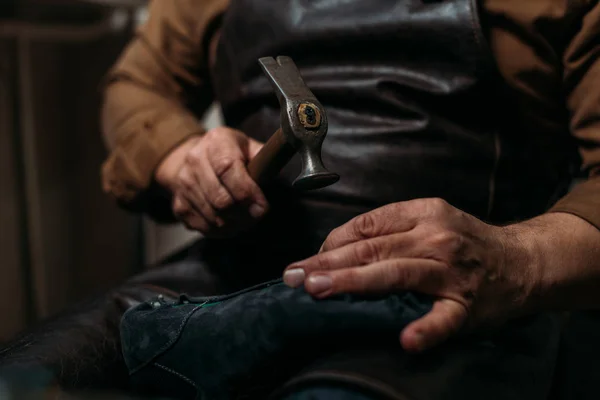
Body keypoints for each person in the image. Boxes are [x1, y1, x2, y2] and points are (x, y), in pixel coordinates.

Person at [1, 0, 600, 398]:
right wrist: (179, 156)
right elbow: (138, 85)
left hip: (448, 295)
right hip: (226, 275)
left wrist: (515, 258)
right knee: (27, 379)